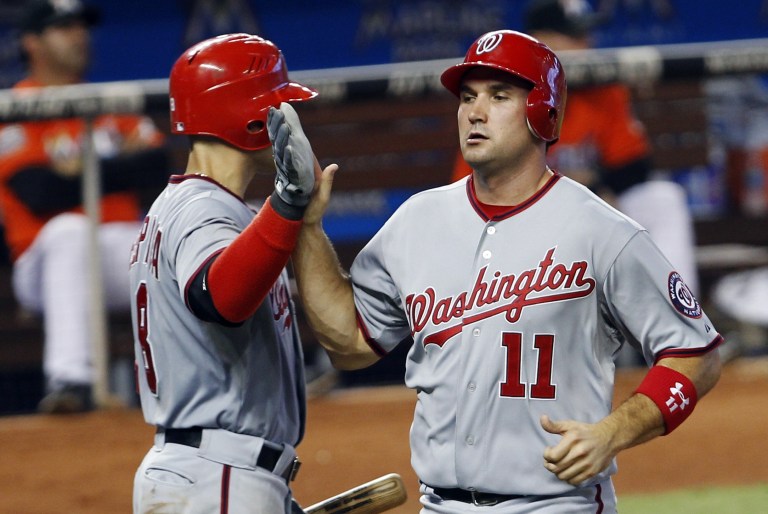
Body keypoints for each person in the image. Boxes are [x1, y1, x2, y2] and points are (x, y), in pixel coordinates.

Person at [285, 29, 723, 512]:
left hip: (554, 505)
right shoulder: (417, 220)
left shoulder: (601, 231)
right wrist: (306, 226)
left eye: (499, 96)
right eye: (468, 97)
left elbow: (696, 354)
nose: (475, 111)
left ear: (542, 111)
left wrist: (612, 433)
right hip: (441, 505)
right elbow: (350, 344)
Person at [130, 33, 320, 513]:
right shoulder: (203, 209)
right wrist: (289, 201)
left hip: (210, 472)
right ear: (251, 118)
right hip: (217, 471)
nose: (289, 122)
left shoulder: (185, 206)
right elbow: (219, 297)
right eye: (279, 107)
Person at [452, 0, 700, 298]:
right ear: (541, 43)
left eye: (586, 35)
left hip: (587, 207)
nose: (587, 44)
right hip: (518, 220)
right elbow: (471, 194)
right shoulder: (509, 95)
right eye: (574, 37)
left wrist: (595, 186)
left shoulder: (602, 86)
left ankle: (680, 325)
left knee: (661, 199)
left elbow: (634, 168)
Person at [0, 0, 168, 413]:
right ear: (32, 42)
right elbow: (39, 192)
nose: (79, 35)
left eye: (81, 26)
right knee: (69, 231)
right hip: (41, 263)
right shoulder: (14, 109)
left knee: (178, 240)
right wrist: (115, 162)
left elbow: (156, 169)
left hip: (115, 253)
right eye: (63, 27)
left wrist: (80, 169)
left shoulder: (108, 102)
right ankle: (71, 381)